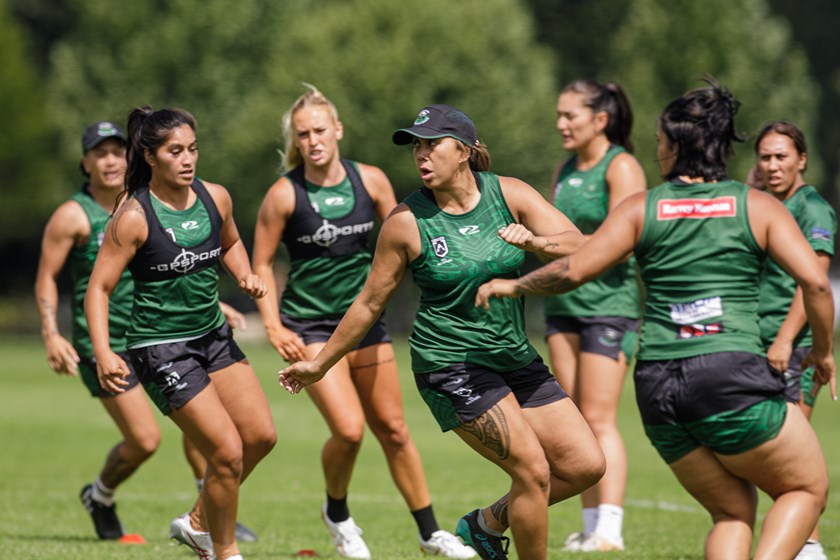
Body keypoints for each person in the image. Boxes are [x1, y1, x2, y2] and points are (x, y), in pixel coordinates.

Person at [476, 81, 834, 560]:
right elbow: (814, 283)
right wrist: (825, 352)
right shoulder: (755, 206)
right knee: (807, 488)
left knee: (732, 511)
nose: (656, 150)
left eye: (661, 141)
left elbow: (576, 269)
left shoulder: (644, 207)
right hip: (731, 376)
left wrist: (518, 285)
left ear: (678, 147)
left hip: (659, 391)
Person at [278, 103, 606, 560]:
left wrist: (534, 242)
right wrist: (319, 363)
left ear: (465, 151)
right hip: (451, 365)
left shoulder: (509, 194)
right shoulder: (406, 222)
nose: (421, 155)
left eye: (433, 144)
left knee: (586, 466)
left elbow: (580, 246)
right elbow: (370, 303)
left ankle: (485, 525)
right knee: (533, 471)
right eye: (417, 146)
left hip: (513, 356)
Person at [252, 87, 475, 559]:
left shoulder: (370, 181)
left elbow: (409, 233)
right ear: (296, 140)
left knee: (393, 429)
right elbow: (262, 267)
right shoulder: (283, 194)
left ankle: (430, 533)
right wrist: (273, 327)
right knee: (350, 430)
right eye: (302, 134)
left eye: (319, 130)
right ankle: (336, 513)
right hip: (310, 329)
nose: (312, 140)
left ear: (337, 130)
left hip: (364, 325)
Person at [85, 107, 276, 560]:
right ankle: (222, 552)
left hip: (212, 336)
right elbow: (99, 288)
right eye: (175, 152)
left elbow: (229, 242)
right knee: (227, 452)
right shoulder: (133, 216)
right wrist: (103, 352)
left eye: (193, 149)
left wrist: (245, 275)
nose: (188, 159)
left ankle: (196, 524)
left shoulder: (217, 198)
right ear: (150, 157)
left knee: (260, 437)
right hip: (161, 348)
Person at [546, 79, 646, 552]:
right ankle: (589, 528)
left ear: (600, 120)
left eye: (571, 116)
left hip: (609, 310)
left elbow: (623, 245)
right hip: (563, 307)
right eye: (560, 115)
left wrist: (554, 247)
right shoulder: (565, 169)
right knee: (578, 423)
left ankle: (610, 529)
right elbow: (552, 234)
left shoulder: (621, 166)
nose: (561, 124)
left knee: (601, 418)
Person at [752, 121, 836, 560]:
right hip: (755, 343)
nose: (772, 165)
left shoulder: (812, 209)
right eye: (764, 157)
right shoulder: (763, 204)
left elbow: (814, 281)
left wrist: (786, 340)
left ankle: (809, 547)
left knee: (793, 456)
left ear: (802, 159)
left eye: (781, 156)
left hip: (792, 350)